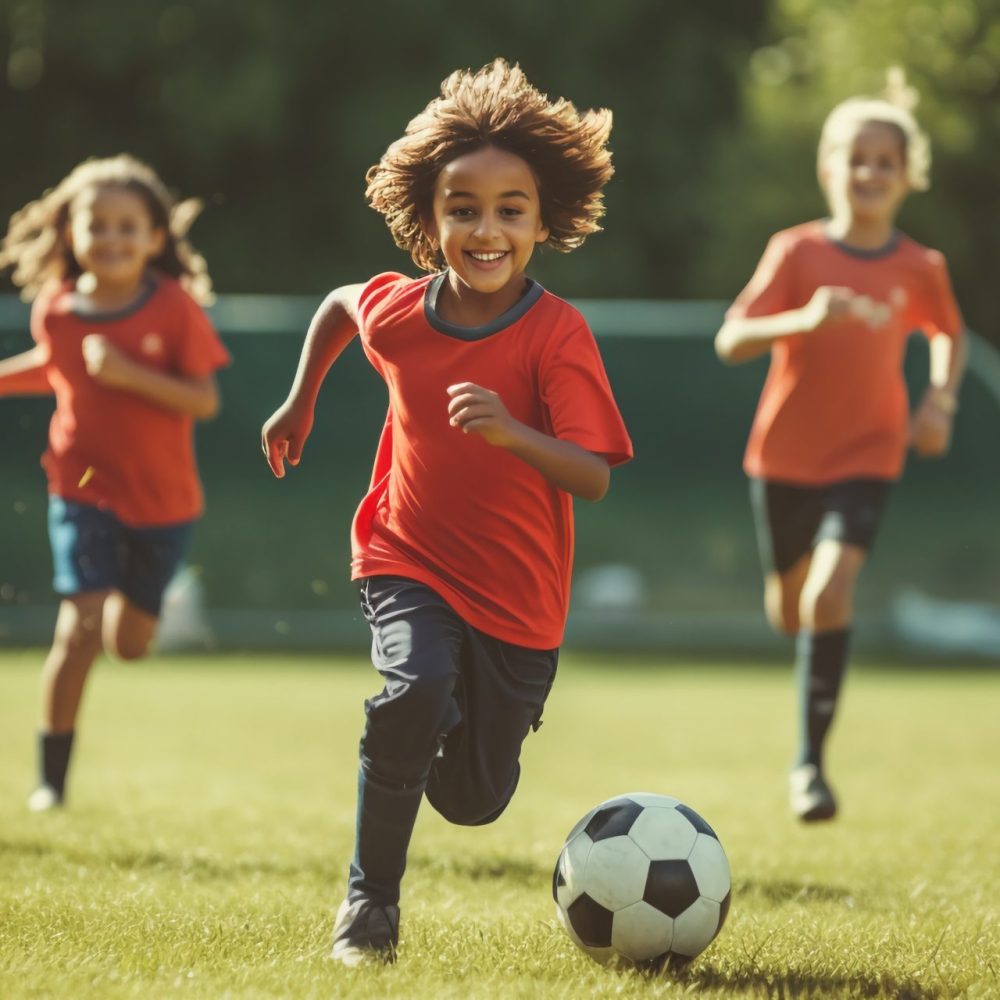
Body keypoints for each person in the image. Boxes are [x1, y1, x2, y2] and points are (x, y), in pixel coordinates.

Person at [261, 59, 632, 965]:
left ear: (543, 222)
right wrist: (301, 399)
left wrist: (511, 432)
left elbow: (592, 475)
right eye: (463, 209)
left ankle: (448, 722)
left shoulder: (556, 334)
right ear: (428, 222)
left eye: (511, 210)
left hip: (518, 605)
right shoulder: (401, 313)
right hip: (405, 555)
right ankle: (368, 908)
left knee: (473, 800)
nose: (486, 229)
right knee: (413, 689)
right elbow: (341, 305)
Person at [714, 71, 965, 822]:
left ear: (908, 176)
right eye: (856, 158)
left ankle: (809, 768)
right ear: (829, 168)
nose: (870, 173)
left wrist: (939, 400)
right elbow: (731, 339)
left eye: (886, 161)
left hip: (869, 455)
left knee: (830, 595)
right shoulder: (795, 252)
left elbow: (947, 333)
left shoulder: (921, 267)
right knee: (792, 613)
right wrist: (803, 320)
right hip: (784, 459)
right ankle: (804, 670)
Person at [0, 155, 230, 811]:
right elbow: (57, 368)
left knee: (126, 647)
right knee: (77, 629)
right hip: (81, 488)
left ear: (155, 238)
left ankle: (135, 611)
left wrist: (128, 373)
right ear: (70, 234)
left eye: (127, 226)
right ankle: (51, 783)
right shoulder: (57, 310)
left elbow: (204, 400)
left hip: (163, 504)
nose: (110, 238)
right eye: (95, 224)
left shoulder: (174, 308)